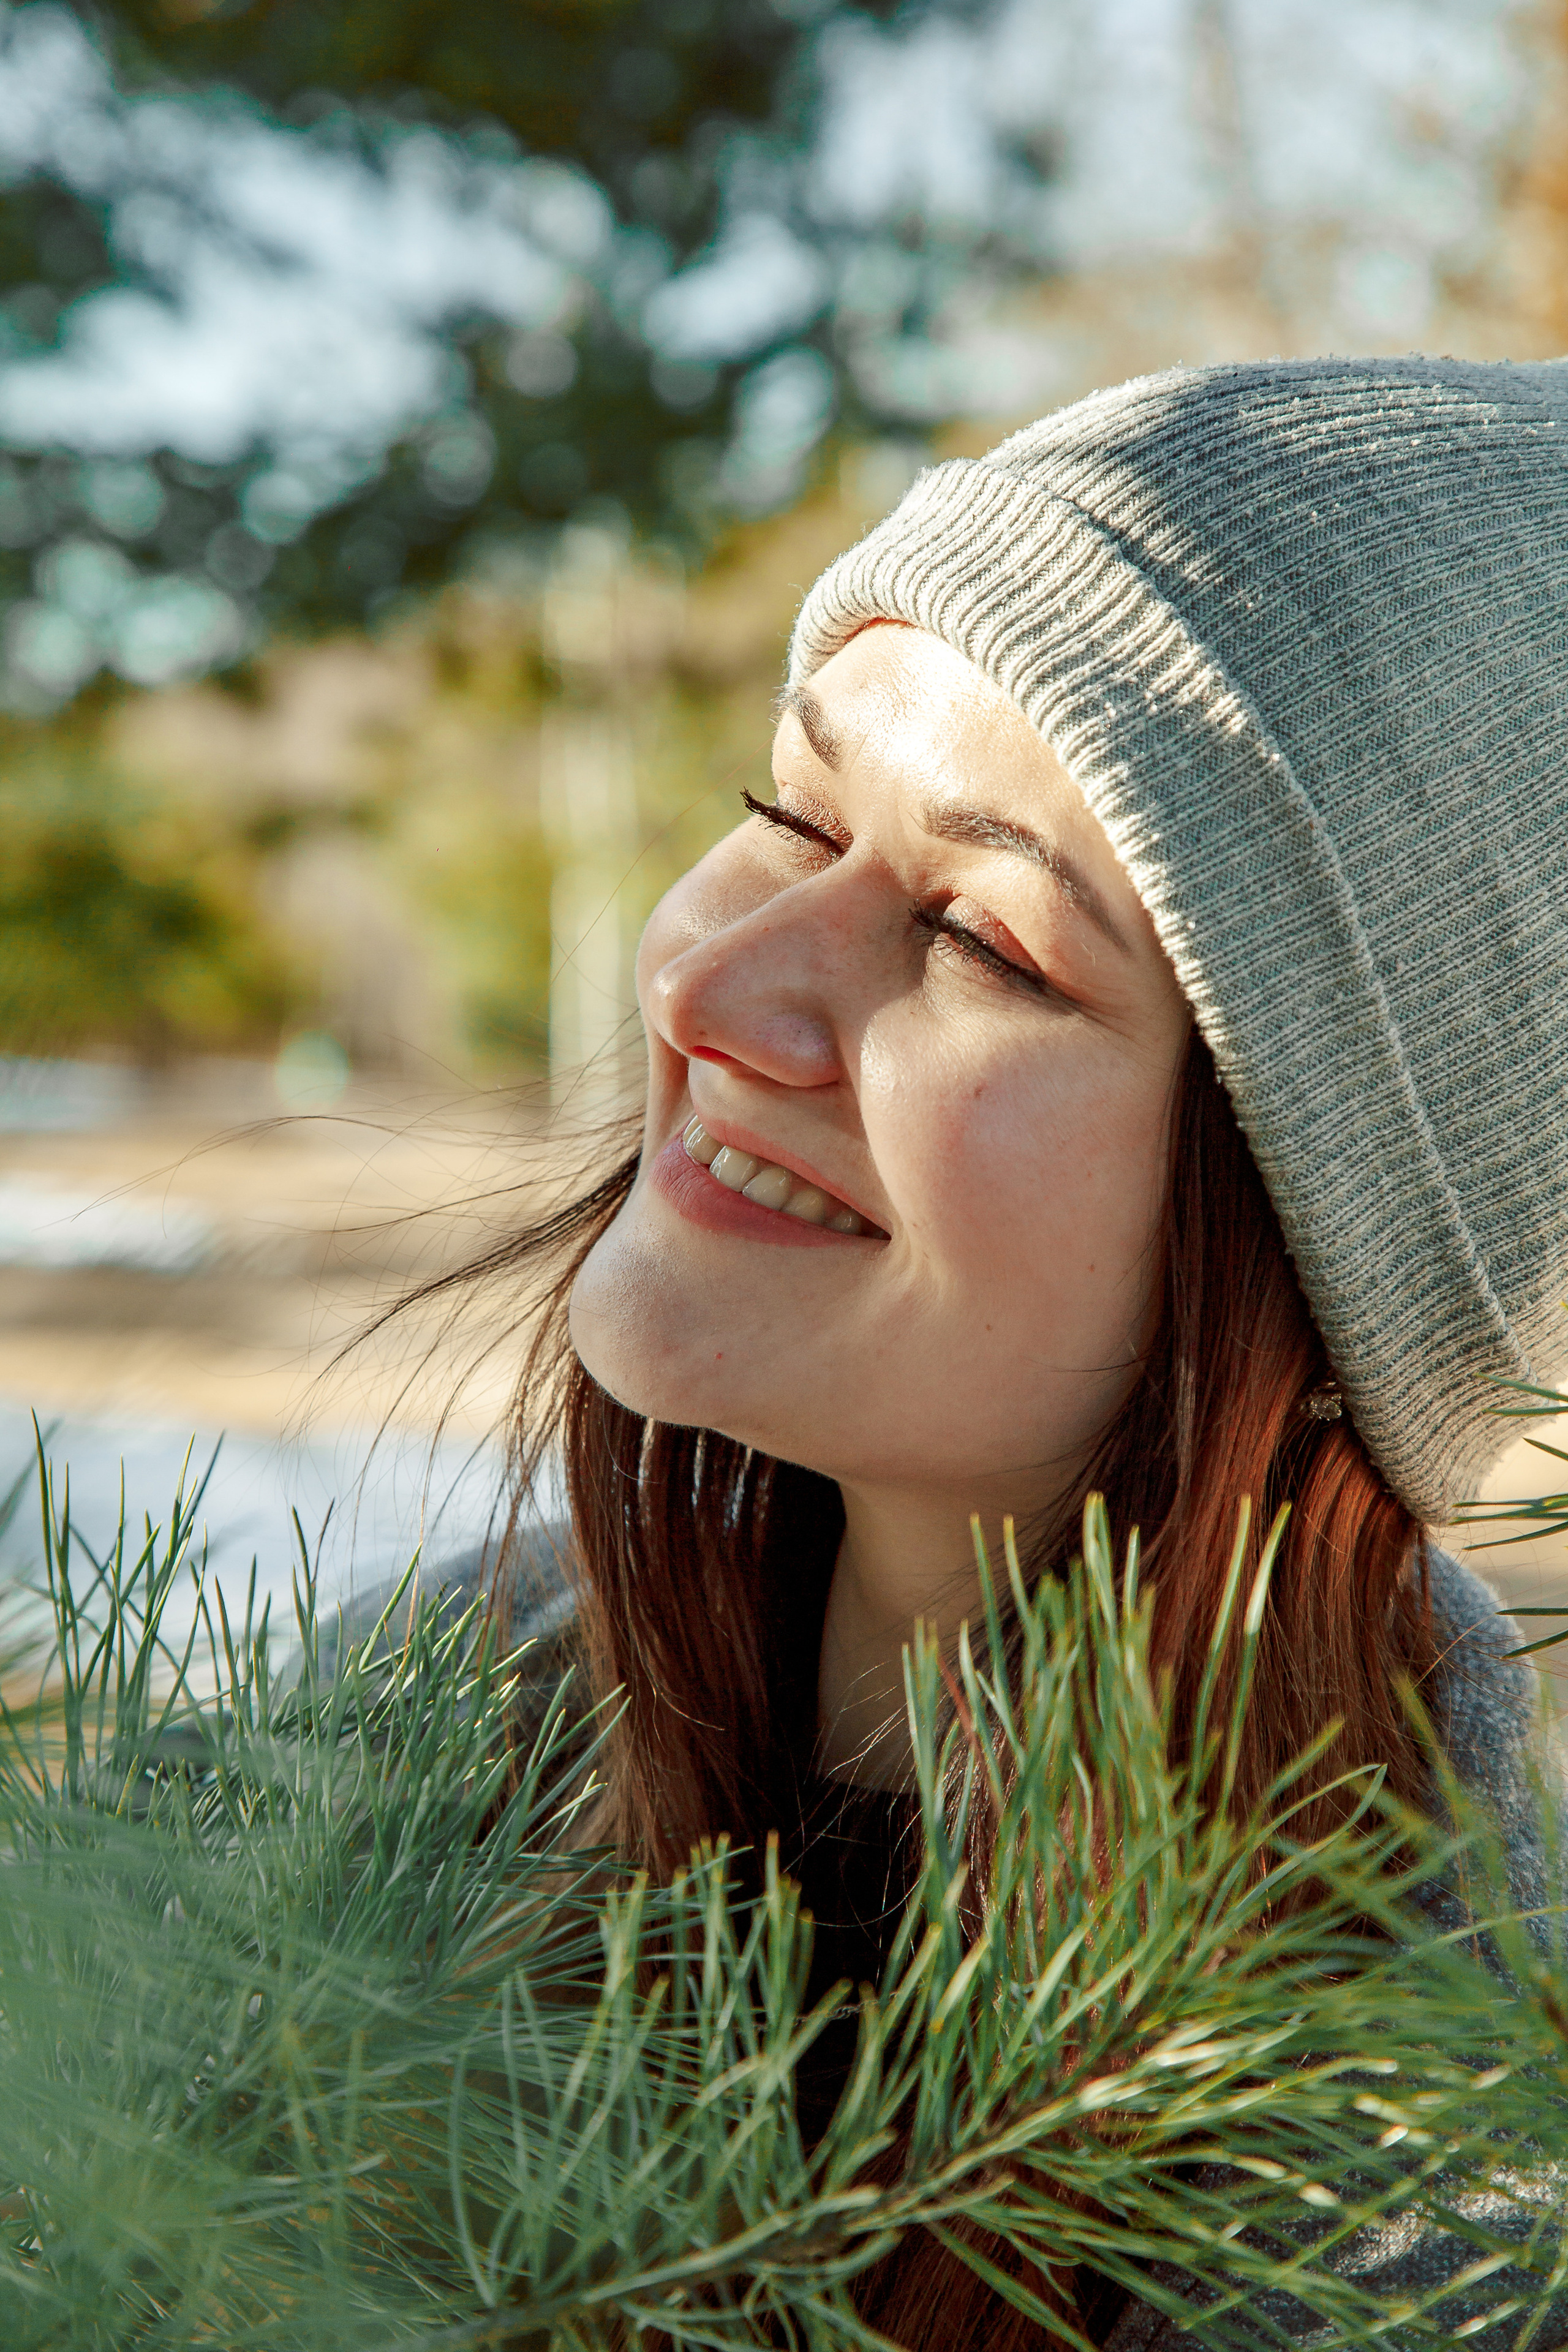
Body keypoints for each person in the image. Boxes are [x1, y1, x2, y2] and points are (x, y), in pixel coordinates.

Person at [440, 356, 1568, 2348]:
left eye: (981, 942)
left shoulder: (1436, 2216)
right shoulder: (391, 1738)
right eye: (792, 817)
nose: (711, 984)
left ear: (1321, 1258)